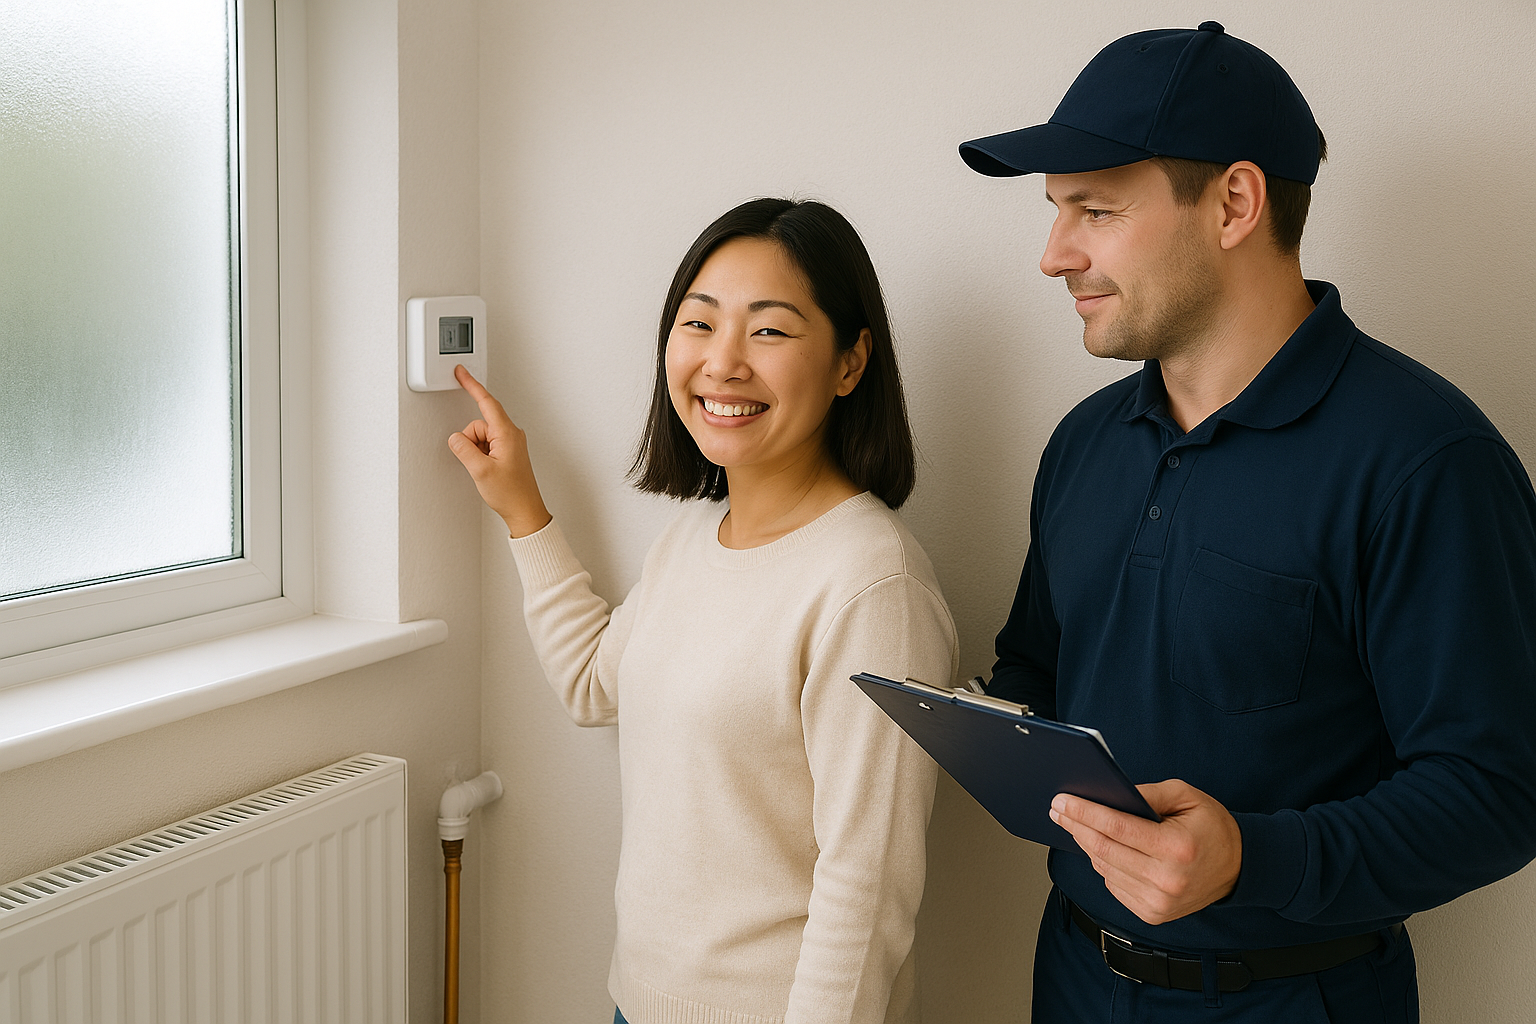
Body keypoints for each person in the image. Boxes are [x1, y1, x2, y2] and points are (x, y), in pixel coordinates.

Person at [957, 21, 1536, 1023]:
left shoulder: (1425, 459)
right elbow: (1037, 668)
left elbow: (1499, 789)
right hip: (1072, 980)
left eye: (1094, 209)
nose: (1054, 255)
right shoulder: (1082, 444)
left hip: (1293, 1002)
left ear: (1234, 202)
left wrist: (1251, 856)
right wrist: (987, 732)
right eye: (1057, 214)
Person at [447, 198, 958, 1024]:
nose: (723, 363)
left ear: (850, 363)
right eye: (699, 323)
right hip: (636, 1003)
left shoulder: (871, 583)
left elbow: (867, 887)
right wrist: (522, 510)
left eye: (770, 331)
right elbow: (592, 686)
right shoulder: (693, 535)